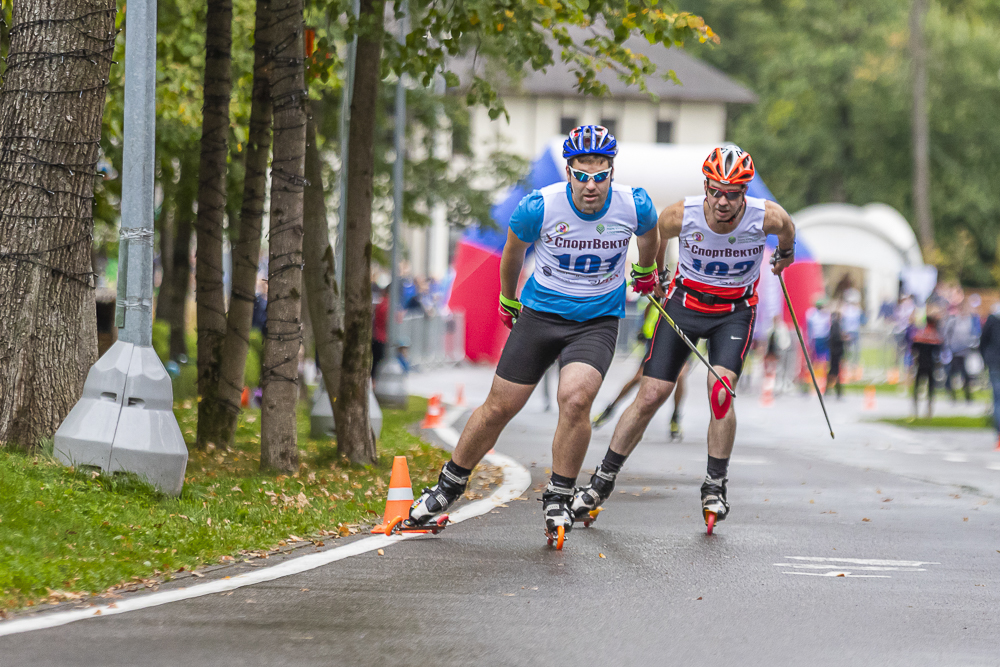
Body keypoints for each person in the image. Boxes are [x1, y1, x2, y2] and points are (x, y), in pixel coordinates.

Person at [407, 125, 660, 542]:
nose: (592, 185)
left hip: (596, 321)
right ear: (568, 170)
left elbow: (650, 234)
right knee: (500, 406)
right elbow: (512, 252)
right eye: (583, 174)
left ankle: (559, 494)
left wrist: (646, 269)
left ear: (612, 171)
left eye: (601, 174)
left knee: (576, 399)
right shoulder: (539, 207)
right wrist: (508, 299)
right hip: (541, 315)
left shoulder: (634, 205)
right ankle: (447, 486)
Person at [571, 145, 796, 531]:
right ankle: (600, 482)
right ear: (705, 186)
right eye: (716, 190)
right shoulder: (683, 213)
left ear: (745, 192)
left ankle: (715, 484)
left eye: (734, 193)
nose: (723, 201)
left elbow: (787, 229)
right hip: (685, 305)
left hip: (734, 311)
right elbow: (656, 232)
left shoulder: (766, 216)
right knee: (651, 393)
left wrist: (785, 255)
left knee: (720, 390)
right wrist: (655, 274)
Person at [592, 299, 690, 440]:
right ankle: (610, 409)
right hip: (657, 340)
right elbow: (651, 305)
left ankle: (675, 417)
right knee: (638, 377)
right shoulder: (665, 287)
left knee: (680, 376)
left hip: (680, 341)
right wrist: (643, 329)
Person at [943, 299, 980, 403]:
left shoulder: (970, 320)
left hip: (966, 351)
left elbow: (975, 335)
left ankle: (967, 396)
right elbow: (946, 335)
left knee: (966, 374)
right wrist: (947, 347)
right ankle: (952, 395)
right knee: (952, 374)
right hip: (954, 351)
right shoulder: (953, 320)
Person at [911, 315, 942, 418]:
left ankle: (915, 408)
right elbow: (938, 351)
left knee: (917, 385)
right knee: (930, 387)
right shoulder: (935, 335)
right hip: (931, 364)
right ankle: (929, 409)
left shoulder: (920, 334)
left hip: (920, 363)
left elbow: (913, 348)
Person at [979, 304, 1000, 447]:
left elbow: (983, 341)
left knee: (998, 400)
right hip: (994, 363)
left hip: (994, 362)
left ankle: (999, 435)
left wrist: (986, 359)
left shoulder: (993, 318)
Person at [826, 311, 845, 399]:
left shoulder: (835, 326)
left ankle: (836, 391)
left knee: (834, 372)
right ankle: (836, 391)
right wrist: (843, 338)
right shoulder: (835, 326)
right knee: (834, 372)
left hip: (834, 352)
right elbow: (836, 338)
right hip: (835, 353)